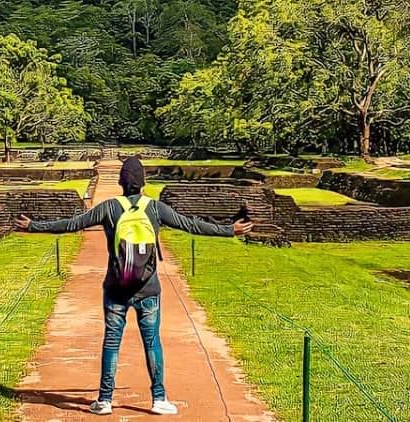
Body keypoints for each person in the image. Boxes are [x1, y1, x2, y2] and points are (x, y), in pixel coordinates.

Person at [16, 156, 253, 415]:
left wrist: (33, 226)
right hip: (149, 288)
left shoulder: (108, 207)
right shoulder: (154, 208)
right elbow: (191, 225)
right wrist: (229, 230)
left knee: (111, 342)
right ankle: (159, 398)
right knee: (152, 343)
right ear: (143, 183)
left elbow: (73, 223)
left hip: (116, 288)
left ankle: (105, 400)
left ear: (120, 182)